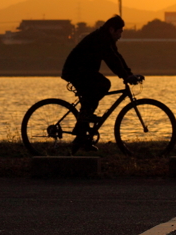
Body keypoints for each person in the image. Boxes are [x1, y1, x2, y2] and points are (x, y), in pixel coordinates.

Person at [61, 15, 143, 151]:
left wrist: (129, 74)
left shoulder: (106, 39)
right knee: (103, 85)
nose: (121, 35)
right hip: (75, 71)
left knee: (91, 98)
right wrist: (125, 76)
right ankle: (83, 121)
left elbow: (117, 57)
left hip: (82, 71)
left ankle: (82, 138)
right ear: (112, 30)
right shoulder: (101, 39)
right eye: (120, 31)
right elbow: (111, 60)